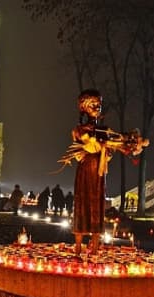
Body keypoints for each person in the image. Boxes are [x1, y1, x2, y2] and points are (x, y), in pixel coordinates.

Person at [59, 89, 148, 254]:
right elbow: (86, 147)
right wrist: (100, 144)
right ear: (84, 106)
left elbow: (107, 152)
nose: (98, 107)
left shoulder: (105, 130)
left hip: (99, 173)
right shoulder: (79, 130)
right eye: (93, 103)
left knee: (97, 204)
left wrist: (113, 147)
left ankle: (94, 244)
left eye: (99, 104)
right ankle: (78, 245)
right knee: (83, 203)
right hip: (86, 171)